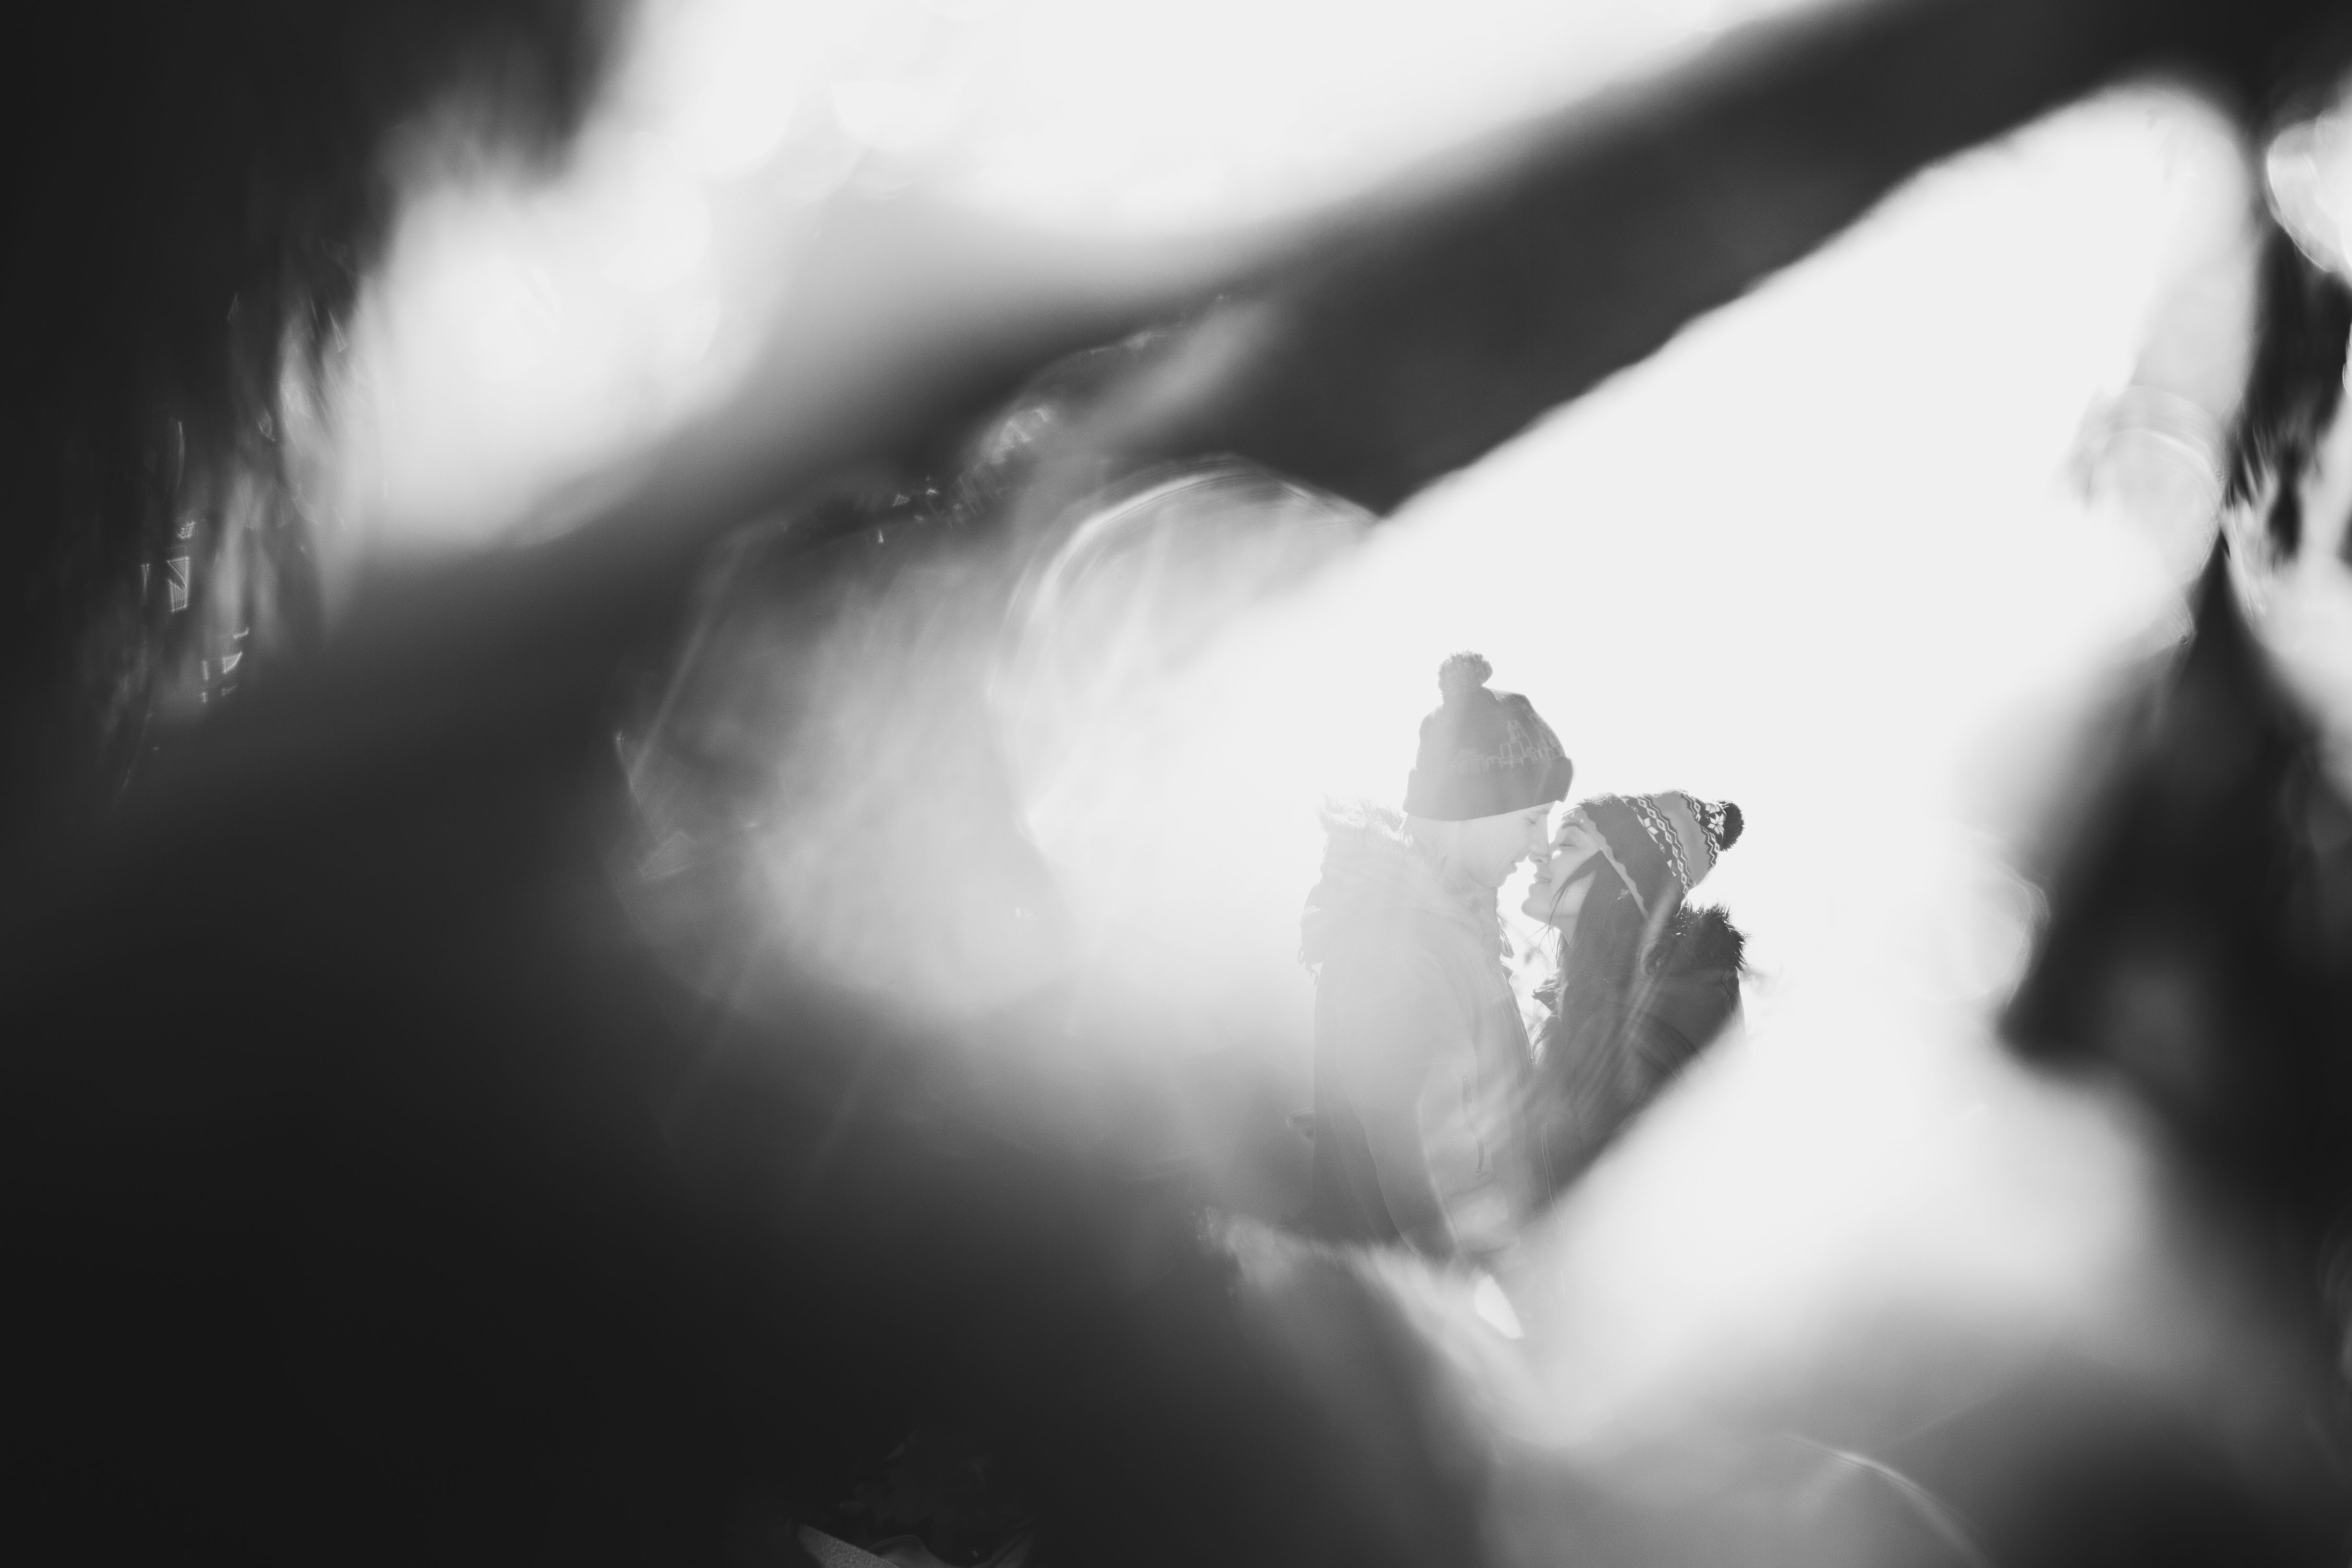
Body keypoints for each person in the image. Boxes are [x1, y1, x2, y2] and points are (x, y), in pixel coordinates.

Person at [1298, 652, 1573, 1263]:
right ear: (1469, 811)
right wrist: (1510, 1313)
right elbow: (1431, 1183)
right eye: (1531, 820)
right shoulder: (1397, 952)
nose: (1540, 848)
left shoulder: (1454, 930)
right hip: (1438, 1329)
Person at [1521, 790, 1746, 1197]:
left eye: (1567, 845)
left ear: (1626, 884)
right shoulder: (1603, 1003)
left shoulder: (1637, 1027)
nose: (1540, 857)